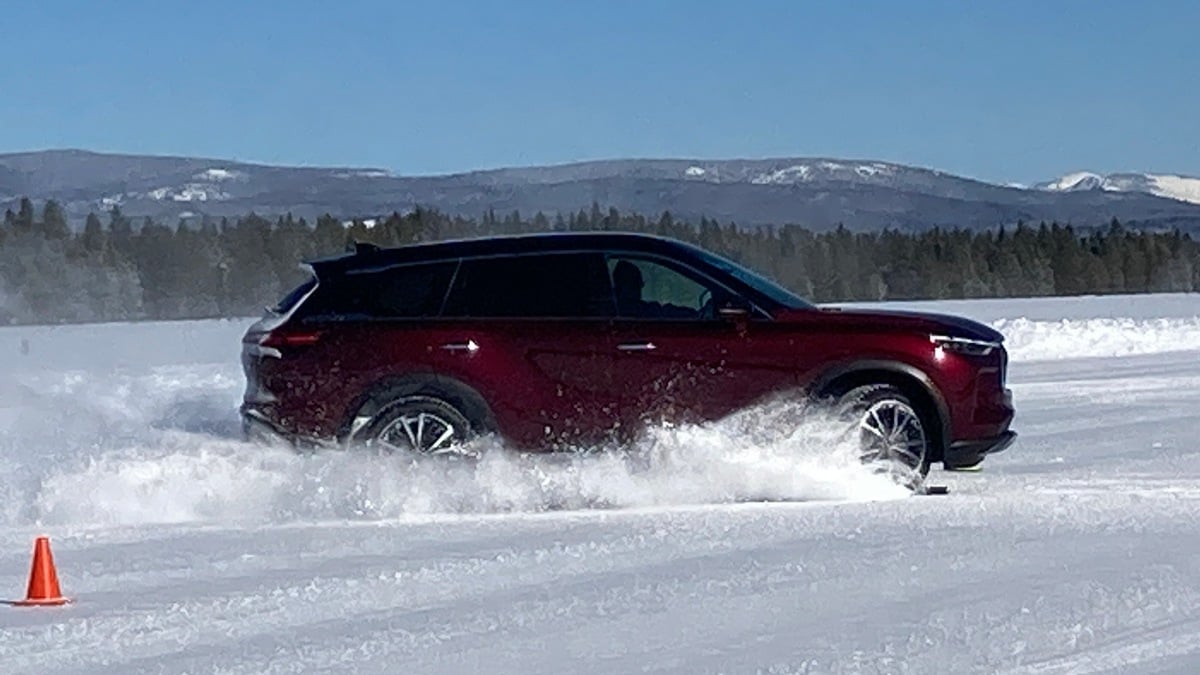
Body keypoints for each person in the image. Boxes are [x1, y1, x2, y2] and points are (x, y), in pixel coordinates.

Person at [611, 260, 695, 319]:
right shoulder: (643, 312)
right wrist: (697, 314)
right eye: (638, 284)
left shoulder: (608, 312)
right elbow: (666, 314)